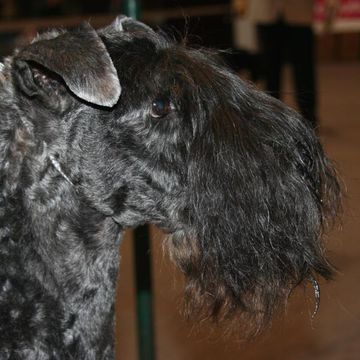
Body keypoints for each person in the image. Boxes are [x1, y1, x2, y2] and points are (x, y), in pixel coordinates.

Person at [247, 0, 338, 129]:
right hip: (267, 11)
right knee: (269, 70)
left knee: (304, 70)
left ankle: (309, 118)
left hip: (299, 12)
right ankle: (270, 116)